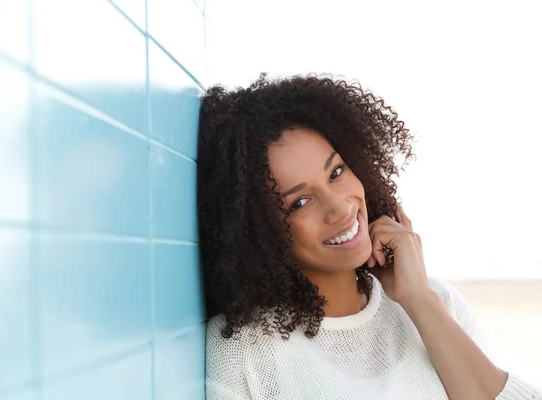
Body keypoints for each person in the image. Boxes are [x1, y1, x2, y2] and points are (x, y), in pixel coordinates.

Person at [196, 73, 542, 400]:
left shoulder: (435, 301)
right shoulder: (243, 349)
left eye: (336, 172)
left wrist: (417, 300)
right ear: (257, 231)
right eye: (299, 202)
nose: (339, 208)